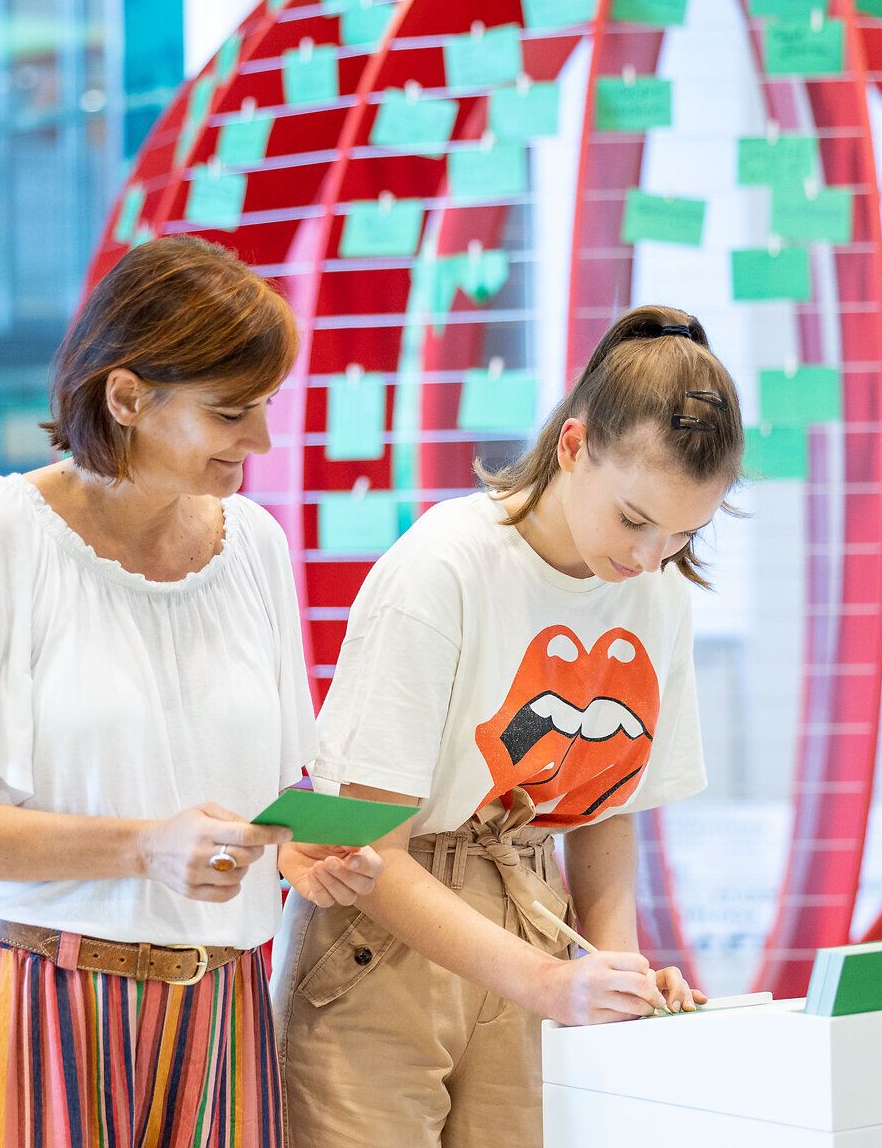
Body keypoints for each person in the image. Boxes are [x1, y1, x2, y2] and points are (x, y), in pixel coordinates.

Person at [0, 236, 381, 1148]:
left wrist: (301, 852)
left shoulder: (255, 545)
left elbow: (261, 791)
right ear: (128, 397)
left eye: (264, 408)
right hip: (33, 1002)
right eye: (231, 414)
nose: (260, 442)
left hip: (221, 1009)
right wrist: (145, 848)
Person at [273, 306, 744, 1148]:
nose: (648, 557)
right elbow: (367, 849)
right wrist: (548, 983)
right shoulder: (443, 568)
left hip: (534, 923)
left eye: (683, 535)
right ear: (572, 446)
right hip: (383, 938)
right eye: (635, 520)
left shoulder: (659, 594)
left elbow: (607, 811)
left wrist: (614, 978)